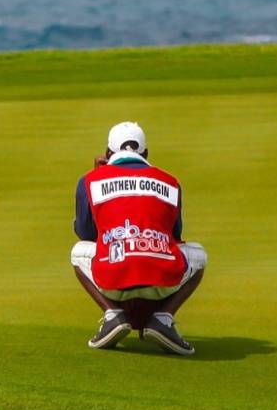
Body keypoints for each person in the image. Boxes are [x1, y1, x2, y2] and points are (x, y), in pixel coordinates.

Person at [71, 122, 207, 356]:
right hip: (164, 282)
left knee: (77, 251)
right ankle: (163, 319)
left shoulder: (89, 181)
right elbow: (175, 235)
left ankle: (113, 315)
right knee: (200, 255)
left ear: (108, 153)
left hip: (112, 279)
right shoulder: (170, 181)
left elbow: (86, 234)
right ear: (145, 154)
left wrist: (97, 174)